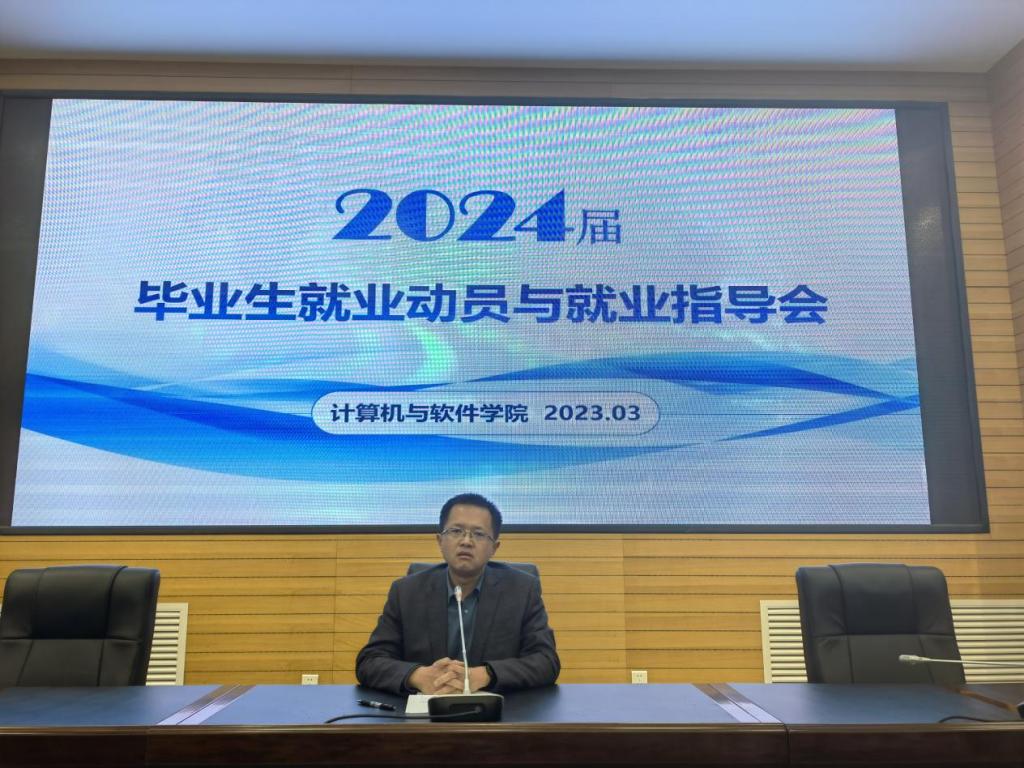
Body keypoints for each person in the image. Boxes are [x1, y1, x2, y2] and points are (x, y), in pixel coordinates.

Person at [355, 493, 560, 694]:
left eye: (478, 534)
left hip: (497, 711)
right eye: (456, 531)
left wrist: (485, 675)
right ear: (440, 541)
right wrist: (418, 676)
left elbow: (546, 661)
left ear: (494, 547)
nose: (466, 541)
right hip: (425, 710)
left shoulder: (522, 590)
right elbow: (370, 661)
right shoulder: (406, 592)